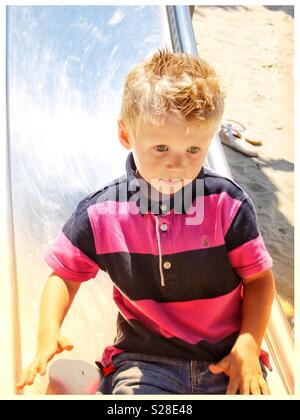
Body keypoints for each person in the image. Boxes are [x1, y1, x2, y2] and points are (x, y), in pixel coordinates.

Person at [17, 48, 275, 395]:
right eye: (161, 148)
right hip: (145, 362)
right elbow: (64, 276)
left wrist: (247, 342)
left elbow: (259, 280)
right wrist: (48, 331)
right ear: (126, 135)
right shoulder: (102, 214)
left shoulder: (227, 205)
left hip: (227, 356)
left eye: (193, 150)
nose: (178, 165)